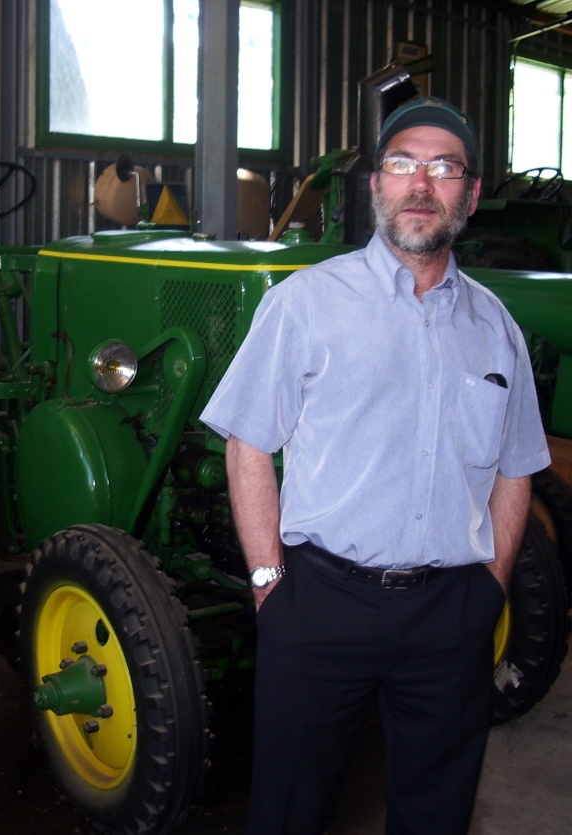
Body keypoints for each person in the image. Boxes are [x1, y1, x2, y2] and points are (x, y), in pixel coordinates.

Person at [200, 96, 551, 834]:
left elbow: (516, 467)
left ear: (472, 193)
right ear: (375, 187)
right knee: (291, 808)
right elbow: (248, 442)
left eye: (444, 167)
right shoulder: (306, 304)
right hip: (322, 604)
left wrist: (489, 587)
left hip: (451, 613)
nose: (420, 183)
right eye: (401, 164)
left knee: (436, 811)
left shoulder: (497, 328)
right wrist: (269, 582)